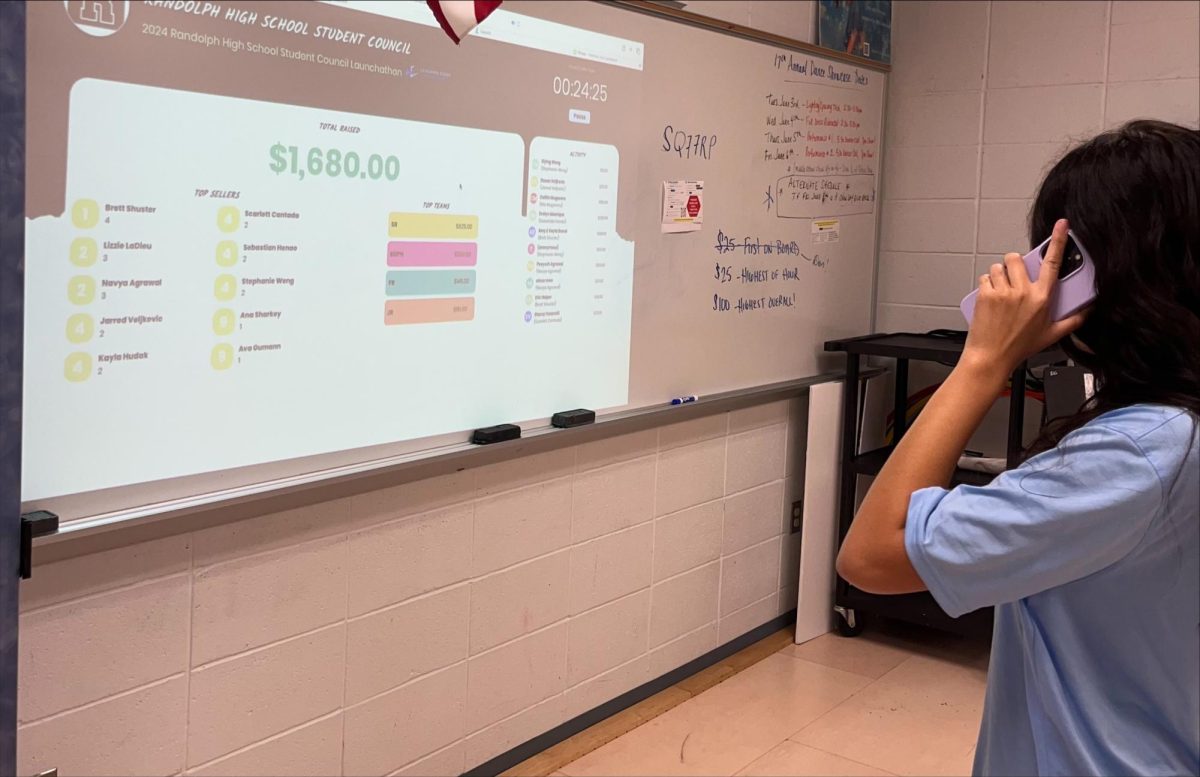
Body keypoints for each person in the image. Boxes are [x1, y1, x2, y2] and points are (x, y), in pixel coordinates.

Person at [836, 119, 1199, 776]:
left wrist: (983, 359)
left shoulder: (1137, 454)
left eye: (1060, 256)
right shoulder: (1180, 428)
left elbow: (871, 554)